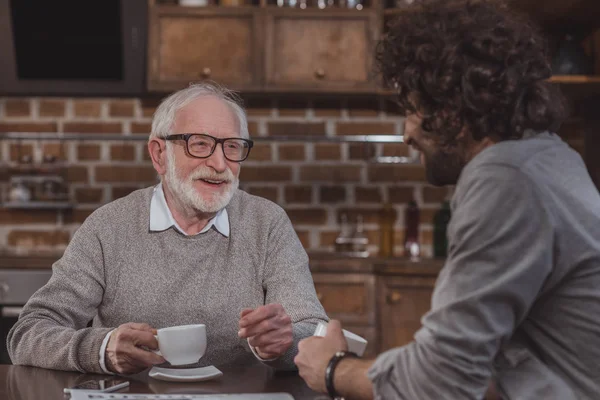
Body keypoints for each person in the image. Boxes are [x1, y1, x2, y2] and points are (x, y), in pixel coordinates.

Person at [294, 1, 600, 399]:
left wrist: (332, 368)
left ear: (453, 108)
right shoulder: (548, 157)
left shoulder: (506, 180)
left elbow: (442, 382)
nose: (406, 134)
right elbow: (484, 370)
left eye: (412, 110)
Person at [8, 82, 328, 375]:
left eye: (232, 146)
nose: (219, 163)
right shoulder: (108, 228)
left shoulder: (267, 223)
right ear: (160, 155)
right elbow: (29, 333)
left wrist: (282, 344)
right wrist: (102, 349)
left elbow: (315, 334)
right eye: (199, 144)